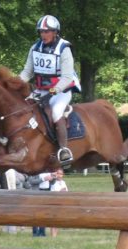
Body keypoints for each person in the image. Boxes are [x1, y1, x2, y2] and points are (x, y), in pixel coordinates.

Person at [19, 15, 81, 167]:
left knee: (55, 112)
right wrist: (13, 83)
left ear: (55, 32)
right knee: (23, 107)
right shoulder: (35, 48)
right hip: (41, 89)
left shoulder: (64, 49)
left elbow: (67, 77)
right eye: (41, 32)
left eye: (47, 32)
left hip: (62, 90)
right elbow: (27, 72)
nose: (43, 35)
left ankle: (64, 150)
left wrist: (53, 91)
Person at [27, 171, 57, 237]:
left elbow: (52, 183)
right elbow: (31, 181)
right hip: (37, 192)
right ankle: (35, 233)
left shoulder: (49, 169)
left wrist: (54, 177)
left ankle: (42, 232)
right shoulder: (35, 169)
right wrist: (43, 179)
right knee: (35, 214)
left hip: (47, 192)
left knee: (44, 214)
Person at [49, 168, 68, 237]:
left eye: (61, 174)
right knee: (53, 220)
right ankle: (53, 235)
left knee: (58, 220)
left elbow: (66, 191)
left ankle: (56, 235)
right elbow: (55, 193)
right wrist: (61, 191)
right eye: (58, 174)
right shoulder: (53, 183)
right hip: (54, 203)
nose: (59, 175)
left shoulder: (63, 182)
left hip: (62, 203)